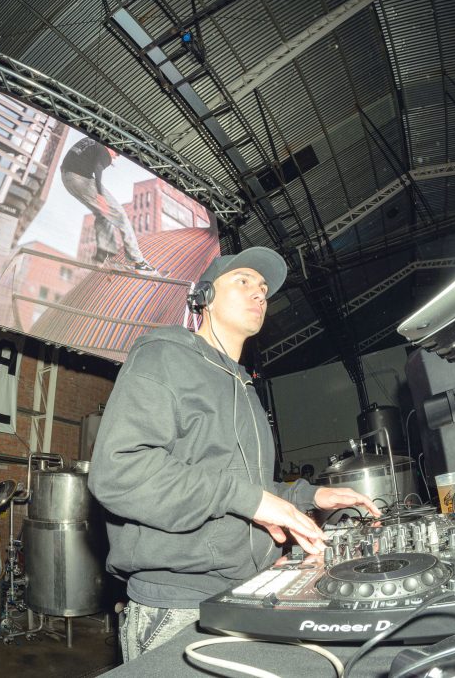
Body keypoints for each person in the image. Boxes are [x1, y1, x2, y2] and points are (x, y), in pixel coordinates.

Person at [87, 247, 379, 662]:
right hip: (180, 608)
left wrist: (309, 496)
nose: (260, 293)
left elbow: (246, 487)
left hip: (247, 592)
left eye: (263, 288)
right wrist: (251, 499)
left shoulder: (244, 386)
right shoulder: (163, 356)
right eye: (243, 281)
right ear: (204, 296)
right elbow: (119, 471)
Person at [60, 136, 157, 273]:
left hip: (67, 179)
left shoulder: (91, 141)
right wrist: (100, 194)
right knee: (120, 215)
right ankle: (138, 261)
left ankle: (102, 256)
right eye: (116, 154)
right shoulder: (104, 150)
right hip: (81, 179)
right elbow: (98, 168)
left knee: (103, 214)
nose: (115, 157)